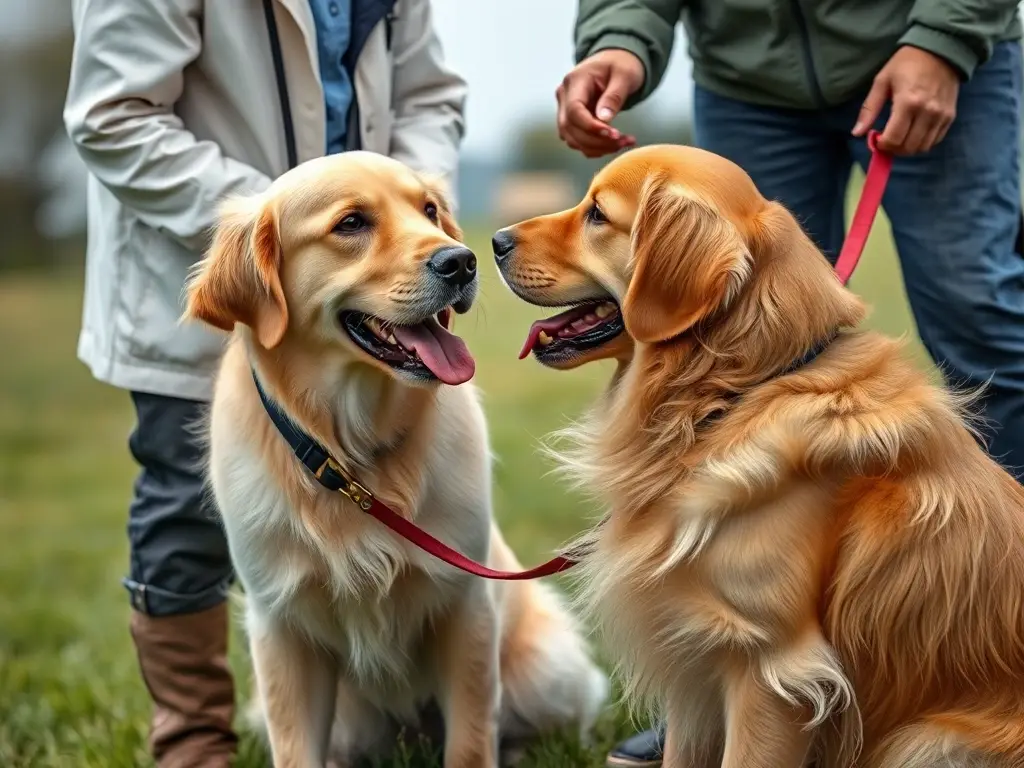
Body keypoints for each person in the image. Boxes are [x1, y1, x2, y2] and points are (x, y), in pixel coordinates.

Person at [556, 1, 1023, 765]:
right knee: (721, 337)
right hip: (752, 75)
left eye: (596, 218)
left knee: (982, 323)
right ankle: (721, 692)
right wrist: (620, 41)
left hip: (935, 59)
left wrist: (943, 37)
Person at [63, 1, 466, 765]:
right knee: (184, 508)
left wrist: (406, 205)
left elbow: (430, 97)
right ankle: (194, 743)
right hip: (205, 268)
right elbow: (113, 115)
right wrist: (277, 226)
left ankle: (394, 718)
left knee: (392, 521)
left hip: (375, 297)